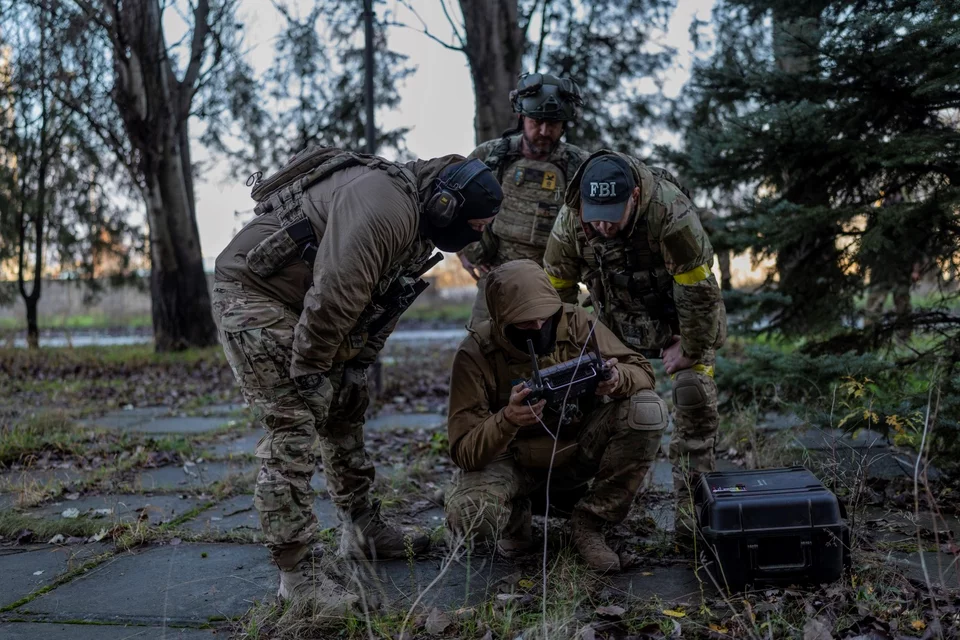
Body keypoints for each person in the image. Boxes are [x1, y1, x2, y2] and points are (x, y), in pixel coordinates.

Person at [213, 146, 503, 604]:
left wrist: (356, 367)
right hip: (253, 296)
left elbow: (378, 305)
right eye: (475, 227)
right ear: (448, 205)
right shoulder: (386, 205)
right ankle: (299, 576)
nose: (474, 239)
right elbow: (337, 292)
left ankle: (361, 529)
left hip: (303, 304)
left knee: (346, 406)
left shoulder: (416, 219)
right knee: (294, 423)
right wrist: (310, 370)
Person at [543, 152, 727, 544]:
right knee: (593, 400)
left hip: (682, 317)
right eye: (596, 215)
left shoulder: (671, 213)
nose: (604, 225)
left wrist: (691, 349)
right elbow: (556, 295)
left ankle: (692, 516)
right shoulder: (571, 220)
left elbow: (698, 291)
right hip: (615, 319)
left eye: (613, 213)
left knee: (692, 395)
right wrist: (567, 353)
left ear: (636, 196)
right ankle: (596, 508)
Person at [444, 259, 667, 572]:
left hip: (576, 449)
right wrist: (507, 419)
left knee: (647, 409)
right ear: (501, 320)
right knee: (469, 515)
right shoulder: (475, 353)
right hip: (513, 463)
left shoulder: (576, 323)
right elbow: (464, 451)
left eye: (544, 317)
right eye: (524, 322)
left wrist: (618, 380)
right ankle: (515, 516)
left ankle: (590, 524)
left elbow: (643, 372)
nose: (537, 327)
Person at [458, 72, 591, 326]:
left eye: (553, 123)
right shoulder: (490, 155)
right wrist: (463, 252)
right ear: (521, 116)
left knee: (554, 356)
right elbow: (454, 204)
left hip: (555, 283)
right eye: (536, 121)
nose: (544, 131)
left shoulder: (580, 166)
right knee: (482, 351)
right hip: (497, 277)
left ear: (564, 125)